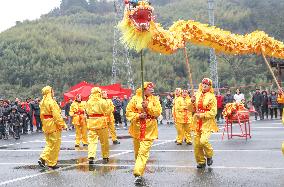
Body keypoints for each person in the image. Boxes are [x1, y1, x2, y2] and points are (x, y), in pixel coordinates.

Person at [126, 82, 162, 185]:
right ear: (144, 89)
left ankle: (137, 173)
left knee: (143, 152)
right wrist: (138, 116)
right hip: (137, 129)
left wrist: (148, 108)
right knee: (137, 153)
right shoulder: (135, 99)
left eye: (152, 88)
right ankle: (140, 170)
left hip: (150, 129)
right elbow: (128, 112)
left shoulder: (155, 99)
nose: (151, 89)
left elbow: (158, 112)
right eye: (149, 88)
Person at [38, 86, 67, 170]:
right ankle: (44, 158)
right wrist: (62, 124)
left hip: (46, 124)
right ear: (49, 92)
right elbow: (57, 116)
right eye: (52, 90)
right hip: (53, 125)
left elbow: (41, 115)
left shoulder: (42, 102)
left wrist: (44, 124)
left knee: (49, 143)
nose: (53, 92)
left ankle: (51, 163)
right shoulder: (52, 102)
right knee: (55, 144)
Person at [191, 78, 218, 169]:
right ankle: (201, 162)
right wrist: (191, 102)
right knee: (197, 144)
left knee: (203, 141)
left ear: (210, 86)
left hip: (207, 122)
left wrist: (202, 115)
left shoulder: (212, 97)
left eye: (207, 84)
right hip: (197, 122)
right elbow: (191, 109)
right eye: (203, 83)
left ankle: (209, 155)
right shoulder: (196, 94)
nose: (204, 85)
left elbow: (214, 112)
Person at [86, 87, 112, 164]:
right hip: (101, 122)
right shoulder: (102, 101)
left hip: (91, 122)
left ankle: (91, 155)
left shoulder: (88, 101)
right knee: (104, 141)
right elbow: (108, 111)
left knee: (91, 141)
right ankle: (105, 156)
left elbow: (87, 111)